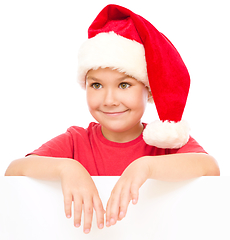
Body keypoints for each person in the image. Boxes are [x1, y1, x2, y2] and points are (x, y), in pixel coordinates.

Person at [5, 4, 220, 234]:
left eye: (124, 85)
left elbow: (210, 168)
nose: (109, 100)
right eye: (96, 85)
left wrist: (146, 167)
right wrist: (66, 167)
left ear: (147, 90)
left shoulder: (164, 142)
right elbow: (14, 171)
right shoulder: (76, 141)